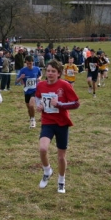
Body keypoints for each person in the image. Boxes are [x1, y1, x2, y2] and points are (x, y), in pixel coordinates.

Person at [35, 60, 80, 194]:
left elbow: (76, 103)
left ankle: (61, 181)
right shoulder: (41, 85)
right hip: (47, 121)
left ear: (59, 73)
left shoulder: (64, 85)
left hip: (62, 123)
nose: (50, 73)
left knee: (61, 157)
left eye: (53, 71)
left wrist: (59, 104)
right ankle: (47, 170)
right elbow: (38, 97)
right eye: (48, 71)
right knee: (43, 148)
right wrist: (40, 106)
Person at [16, 55, 42, 128]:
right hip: (27, 91)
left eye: (30, 63)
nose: (29, 65)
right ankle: (31, 119)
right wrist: (21, 78)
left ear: (33, 62)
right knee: (29, 108)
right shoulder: (23, 70)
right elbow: (17, 81)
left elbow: (40, 75)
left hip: (34, 90)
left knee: (31, 105)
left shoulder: (37, 69)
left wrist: (39, 78)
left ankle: (33, 120)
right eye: (27, 63)